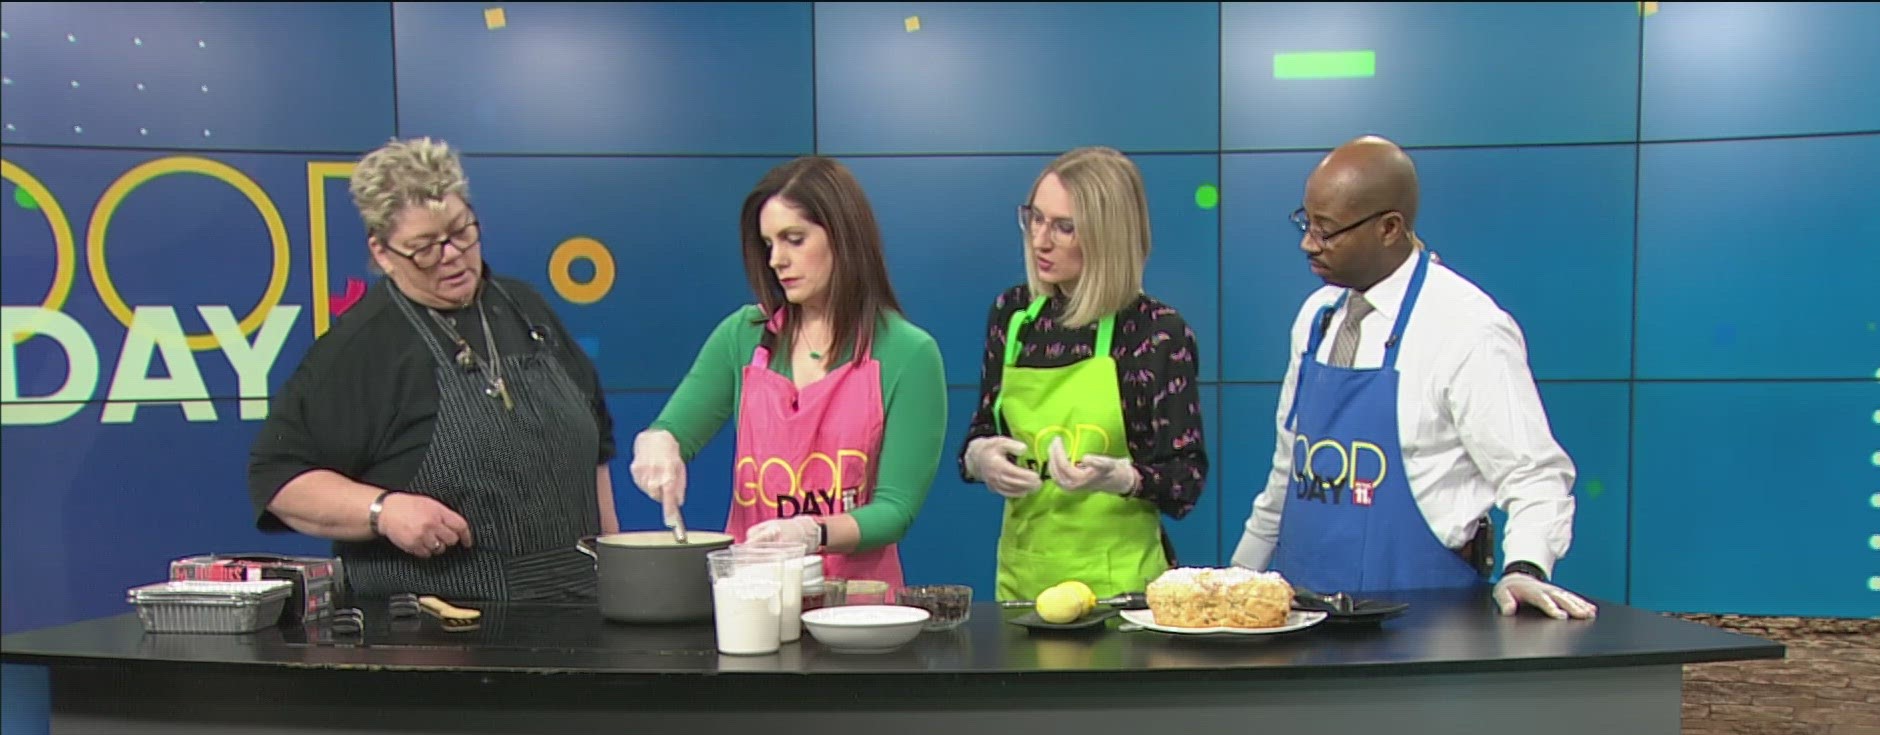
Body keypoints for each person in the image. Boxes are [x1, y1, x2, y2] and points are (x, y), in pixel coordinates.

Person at [1229, 135, 1596, 619]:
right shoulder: (1317, 318)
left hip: (1423, 629)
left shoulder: (1467, 328)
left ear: (1389, 228)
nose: (1307, 243)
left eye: (1326, 230)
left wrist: (1526, 567)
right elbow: (1289, 470)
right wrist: (1238, 576)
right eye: (1306, 221)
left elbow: (1534, 475)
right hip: (1303, 624)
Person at [248, 136, 619, 603]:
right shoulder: (363, 346)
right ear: (383, 253)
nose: (451, 256)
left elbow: (595, 452)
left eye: (461, 232)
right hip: (441, 632)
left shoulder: (526, 309)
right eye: (424, 248)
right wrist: (382, 510)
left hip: (576, 609)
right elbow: (279, 479)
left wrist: (616, 567)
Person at [629, 157, 947, 590]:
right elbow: (674, 429)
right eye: (768, 244)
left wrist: (812, 532)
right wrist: (658, 444)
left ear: (844, 237)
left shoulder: (909, 354)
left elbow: (896, 509)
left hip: (855, 609)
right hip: (752, 600)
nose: (777, 260)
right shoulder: (743, 336)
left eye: (794, 240)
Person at [959, 146, 1208, 602]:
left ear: (1107, 235)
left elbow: (1186, 480)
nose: (1040, 241)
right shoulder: (1014, 315)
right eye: (1034, 218)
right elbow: (980, 429)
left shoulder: (1156, 334)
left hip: (1123, 590)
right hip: (1024, 581)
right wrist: (980, 458)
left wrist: (1123, 478)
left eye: (1063, 227)